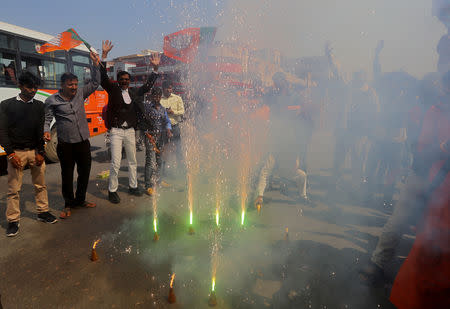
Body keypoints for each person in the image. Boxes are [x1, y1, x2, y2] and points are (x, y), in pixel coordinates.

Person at [389, 70, 450, 308]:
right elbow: (422, 154)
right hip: (439, 196)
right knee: (427, 258)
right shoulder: (436, 112)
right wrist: (443, 149)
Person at [100, 40, 160, 204]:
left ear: (129, 81)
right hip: (116, 131)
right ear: (118, 80)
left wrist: (155, 69)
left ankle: (133, 186)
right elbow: (103, 78)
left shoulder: (134, 92)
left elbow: (147, 86)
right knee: (116, 162)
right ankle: (112, 190)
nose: (125, 81)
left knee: (133, 160)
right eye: (122, 79)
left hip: (130, 132)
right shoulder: (112, 90)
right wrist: (104, 56)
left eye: (127, 79)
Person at [44, 51, 101, 219]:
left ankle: (81, 200)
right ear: (62, 85)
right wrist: (46, 131)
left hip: (83, 142)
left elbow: (96, 82)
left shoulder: (81, 94)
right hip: (66, 144)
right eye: (71, 85)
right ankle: (68, 203)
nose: (74, 87)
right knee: (67, 175)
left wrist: (95, 64)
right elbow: (47, 120)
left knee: (84, 173)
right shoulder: (51, 100)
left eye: (76, 84)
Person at [0, 71, 57, 236]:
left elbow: (41, 130)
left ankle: (43, 212)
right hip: (16, 153)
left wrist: (41, 152)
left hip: (35, 152)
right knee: (13, 190)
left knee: (40, 185)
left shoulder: (40, 106)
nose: (33, 90)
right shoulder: (6, 105)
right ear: (20, 86)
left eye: (36, 87)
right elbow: (2, 131)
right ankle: (13, 221)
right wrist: (10, 154)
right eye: (29, 87)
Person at [141, 87, 172, 195]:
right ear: (151, 95)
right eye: (155, 95)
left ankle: (159, 181)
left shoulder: (162, 109)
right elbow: (141, 121)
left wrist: (168, 129)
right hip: (150, 136)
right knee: (150, 161)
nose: (157, 98)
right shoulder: (147, 107)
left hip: (161, 137)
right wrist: (146, 133)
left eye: (159, 96)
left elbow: (167, 121)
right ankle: (148, 185)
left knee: (160, 160)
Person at [160, 80, 185, 178]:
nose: (169, 90)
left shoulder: (177, 98)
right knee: (164, 149)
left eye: (170, 88)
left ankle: (181, 171)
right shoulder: (159, 99)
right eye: (167, 88)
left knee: (178, 149)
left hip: (175, 127)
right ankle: (164, 171)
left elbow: (182, 111)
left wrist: (172, 112)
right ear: (163, 89)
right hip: (164, 128)